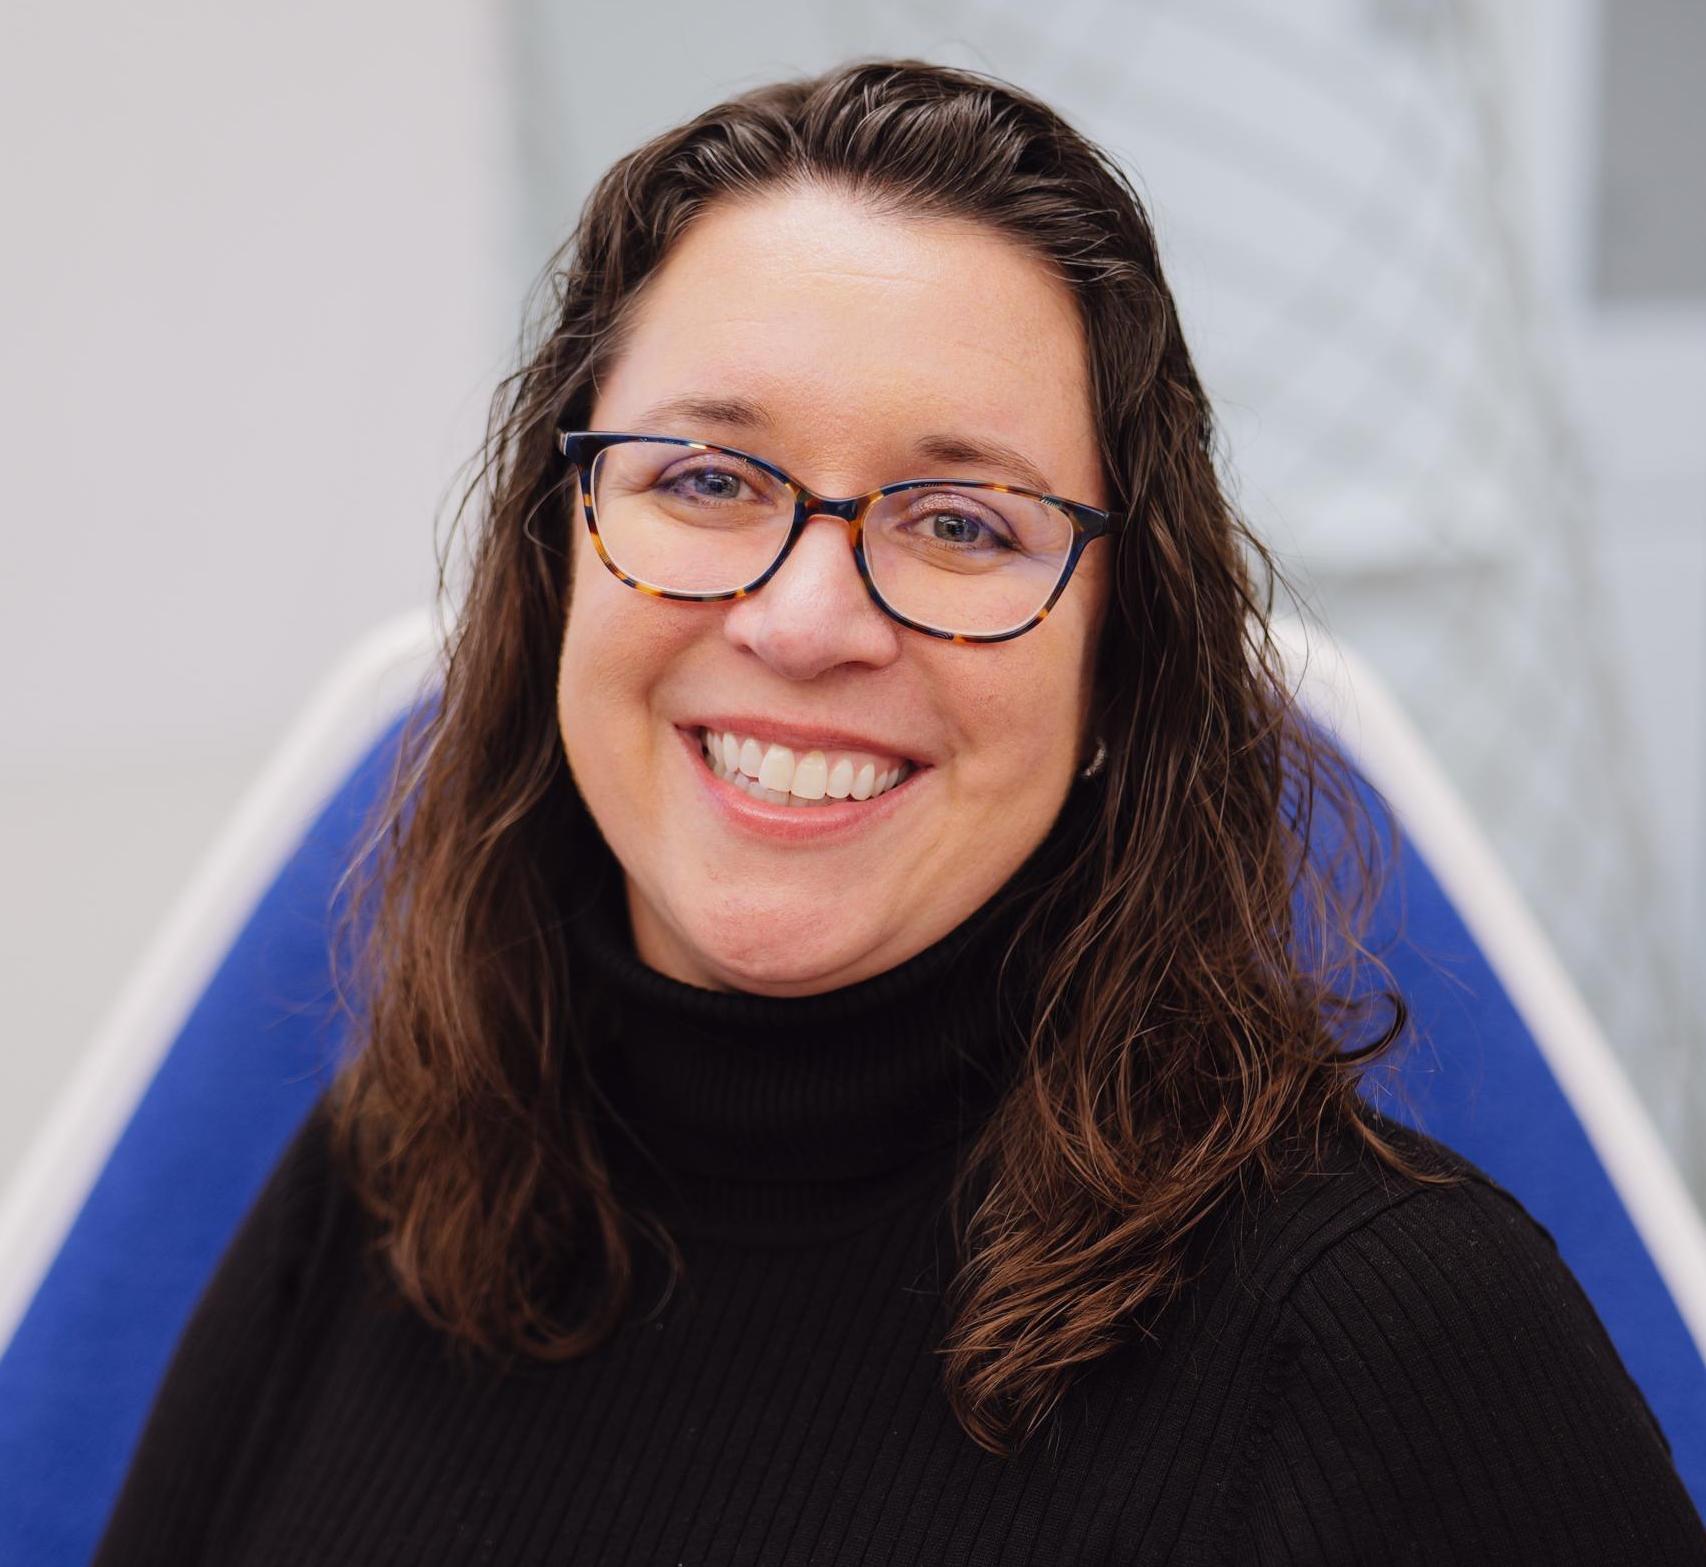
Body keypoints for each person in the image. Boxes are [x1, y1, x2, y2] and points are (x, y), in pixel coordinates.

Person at [93, 58, 1705, 1565]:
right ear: (555, 564)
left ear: (1119, 664)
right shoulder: (394, 1176)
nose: (803, 622)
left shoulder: (1391, 1335)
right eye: (707, 481)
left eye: (957, 522)